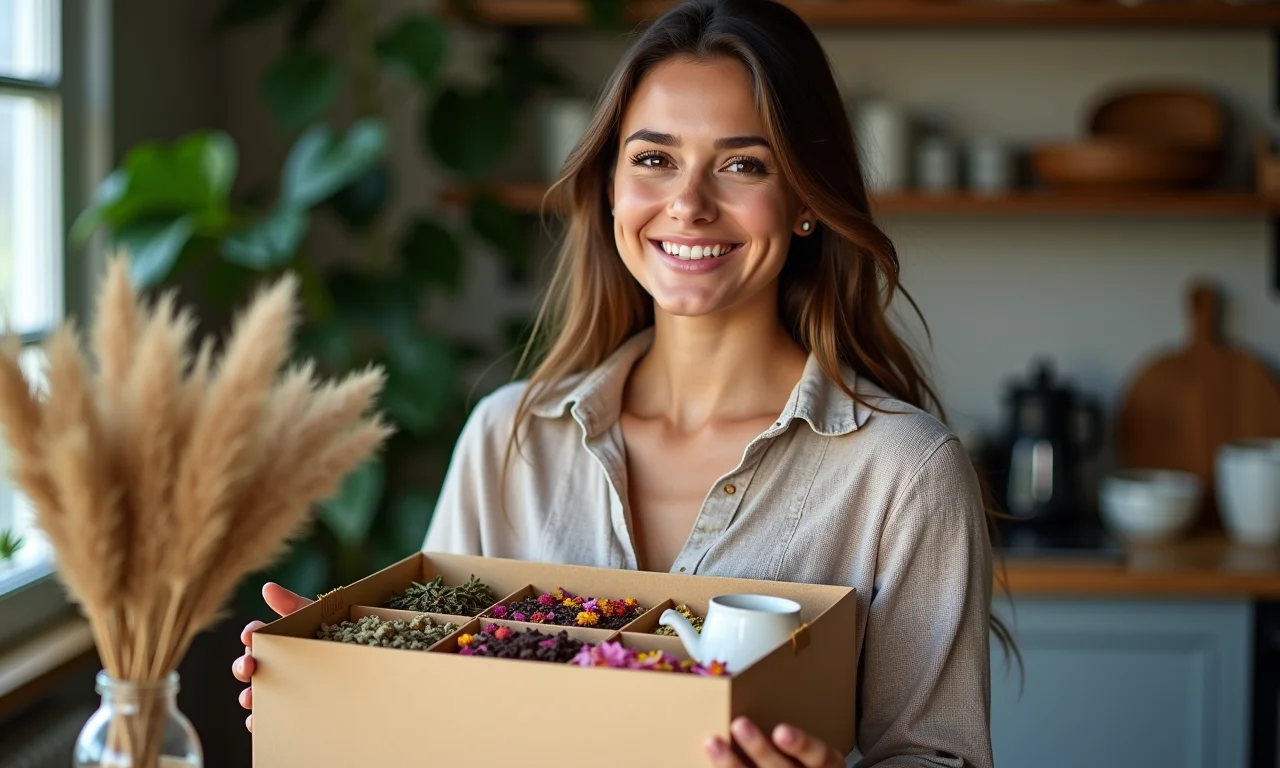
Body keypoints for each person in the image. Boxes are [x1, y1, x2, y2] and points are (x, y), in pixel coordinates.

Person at [233, 1, 1004, 765]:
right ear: (609, 189)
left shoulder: (905, 472)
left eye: (742, 164)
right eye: (654, 159)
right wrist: (353, 677)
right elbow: (437, 733)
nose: (689, 205)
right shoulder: (509, 438)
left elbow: (938, 756)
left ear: (804, 199)